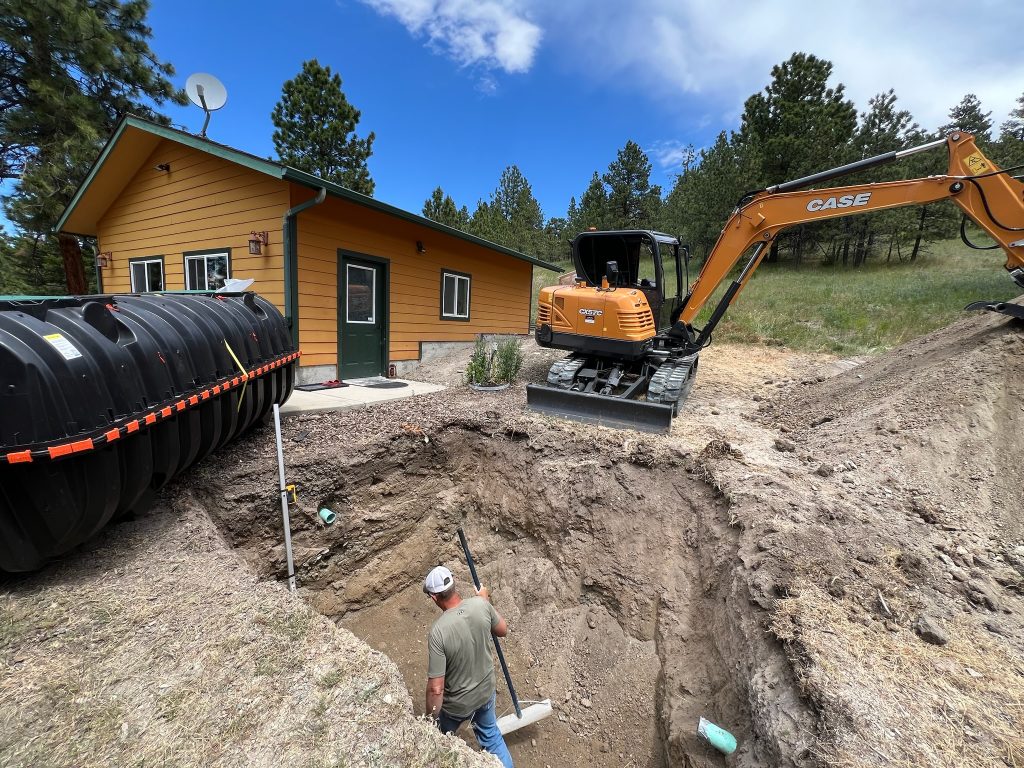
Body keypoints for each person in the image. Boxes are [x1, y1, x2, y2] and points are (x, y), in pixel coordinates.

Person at [423, 565, 513, 768]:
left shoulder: (438, 632)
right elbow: (502, 630)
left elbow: (436, 688)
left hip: (457, 705)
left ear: (434, 598)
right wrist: (486, 603)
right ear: (454, 586)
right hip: (485, 692)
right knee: (492, 738)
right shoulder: (480, 605)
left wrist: (429, 719)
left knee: (439, 739)